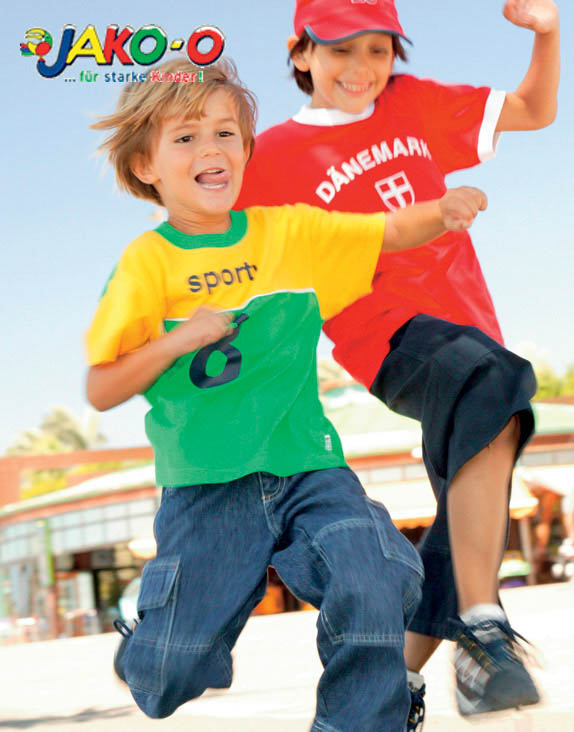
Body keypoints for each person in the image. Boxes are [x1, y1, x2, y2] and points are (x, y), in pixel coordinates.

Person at [84, 56, 488, 729]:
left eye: (226, 134)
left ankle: (365, 719)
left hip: (309, 467)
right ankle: (147, 647)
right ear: (145, 165)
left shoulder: (289, 234)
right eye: (185, 138)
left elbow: (381, 232)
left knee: (375, 576)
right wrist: (174, 341)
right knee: (171, 674)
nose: (211, 150)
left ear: (246, 148)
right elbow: (100, 388)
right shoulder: (146, 265)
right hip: (209, 485)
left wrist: (441, 211)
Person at [236, 0, 560, 724]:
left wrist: (547, 30)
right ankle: (482, 631)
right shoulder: (274, 154)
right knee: (496, 382)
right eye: (341, 51)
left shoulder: (414, 104)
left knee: (463, 511)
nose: (362, 69)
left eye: (378, 51)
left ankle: (391, 692)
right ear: (301, 54)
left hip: (469, 330)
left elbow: (536, 109)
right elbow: (246, 266)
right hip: (386, 337)